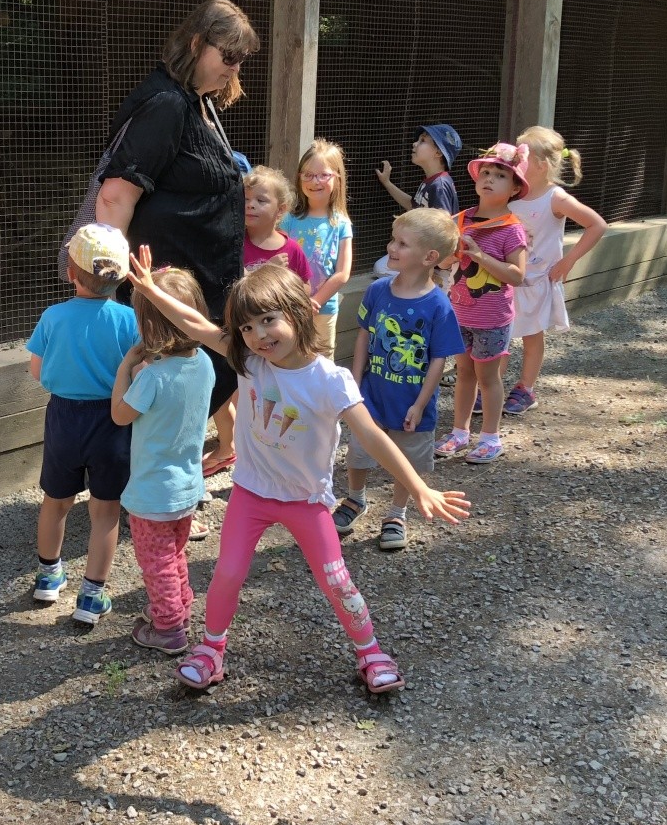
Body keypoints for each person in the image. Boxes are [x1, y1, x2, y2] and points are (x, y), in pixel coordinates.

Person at [128, 248, 472, 694]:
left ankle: (371, 653)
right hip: (251, 493)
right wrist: (152, 291)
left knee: (335, 580)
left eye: (268, 320)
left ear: (298, 312)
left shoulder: (329, 380)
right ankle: (211, 650)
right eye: (246, 327)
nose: (257, 335)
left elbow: (372, 437)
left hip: (305, 499)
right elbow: (196, 324)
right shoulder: (249, 362)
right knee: (227, 573)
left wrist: (418, 486)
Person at [95, 0, 257, 479]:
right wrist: (109, 279)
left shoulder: (197, 101)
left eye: (242, 59)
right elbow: (115, 196)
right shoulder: (166, 103)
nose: (236, 68)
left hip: (200, 286)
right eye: (229, 56)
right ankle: (139, 492)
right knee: (161, 390)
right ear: (197, 43)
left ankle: (152, 488)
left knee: (200, 381)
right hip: (165, 288)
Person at [26, 222, 140, 626]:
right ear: (123, 275)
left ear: (71, 271)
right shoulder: (130, 320)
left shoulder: (53, 316)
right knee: (106, 510)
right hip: (112, 419)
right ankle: (91, 596)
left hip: (63, 417)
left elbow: (37, 371)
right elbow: (139, 372)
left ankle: (48, 576)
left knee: (56, 500)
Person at [335, 208, 465, 550]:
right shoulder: (377, 290)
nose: (391, 247)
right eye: (394, 240)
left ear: (429, 257)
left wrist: (420, 404)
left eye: (402, 243)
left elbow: (439, 359)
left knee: (407, 459)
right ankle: (355, 498)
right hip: (371, 395)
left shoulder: (439, 305)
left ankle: (397, 512)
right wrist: (355, 384)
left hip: (412, 402)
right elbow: (363, 336)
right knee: (358, 451)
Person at [111, 266, 215, 657]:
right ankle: (178, 604)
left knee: (156, 562)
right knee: (174, 553)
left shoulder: (152, 378)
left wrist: (125, 367)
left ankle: (169, 627)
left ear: (149, 326)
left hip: (153, 493)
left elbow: (120, 415)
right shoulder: (204, 362)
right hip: (187, 487)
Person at [435, 144, 529, 465]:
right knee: (463, 373)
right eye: (485, 172)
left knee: (488, 378)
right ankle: (459, 432)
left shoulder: (511, 228)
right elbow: (444, 262)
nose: (489, 178)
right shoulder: (460, 220)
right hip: (459, 312)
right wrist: (449, 254)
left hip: (492, 317)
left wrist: (479, 255)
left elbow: (517, 275)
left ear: (514, 188)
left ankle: (490, 437)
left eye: (500, 175)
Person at [503, 126, 607, 415]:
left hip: (537, 280)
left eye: (522, 156)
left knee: (532, 335)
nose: (515, 161)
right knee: (501, 334)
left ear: (540, 165)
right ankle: (490, 387)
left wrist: (568, 260)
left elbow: (597, 225)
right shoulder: (512, 193)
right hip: (508, 278)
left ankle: (526, 389)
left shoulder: (555, 197)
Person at [281, 138, 354, 358]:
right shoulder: (288, 220)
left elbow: (342, 273)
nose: (315, 181)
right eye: (308, 174)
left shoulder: (341, 223)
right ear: (299, 177)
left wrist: (315, 302)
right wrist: (297, 302)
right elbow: (281, 264)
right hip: (289, 308)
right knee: (290, 357)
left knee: (322, 361)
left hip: (324, 309)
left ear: (337, 178)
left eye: (324, 175)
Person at [374, 123, 462, 278]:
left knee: (382, 268)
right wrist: (387, 183)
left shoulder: (439, 185)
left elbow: (445, 226)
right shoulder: (431, 181)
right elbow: (412, 205)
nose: (414, 144)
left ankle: (427, 281)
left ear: (438, 152)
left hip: (435, 263)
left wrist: (440, 262)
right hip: (422, 254)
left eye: (423, 141)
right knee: (382, 267)